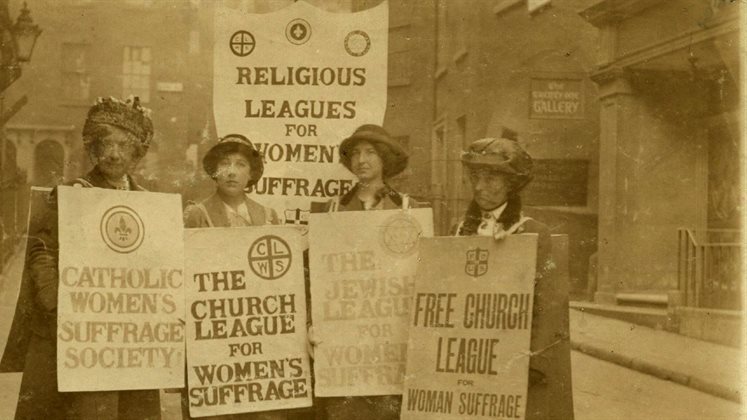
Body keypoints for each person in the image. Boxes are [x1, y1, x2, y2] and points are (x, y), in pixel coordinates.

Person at [0, 96, 161, 419]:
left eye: (123, 145)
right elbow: (42, 252)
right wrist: (61, 303)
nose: (114, 153)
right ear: (93, 148)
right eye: (106, 144)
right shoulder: (73, 193)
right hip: (76, 330)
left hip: (126, 331)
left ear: (137, 153)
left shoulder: (149, 203)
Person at [454, 132, 574, 420]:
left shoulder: (532, 231)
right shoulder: (458, 230)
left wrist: (533, 361)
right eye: (476, 178)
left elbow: (549, 306)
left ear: (510, 185)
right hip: (469, 357)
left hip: (514, 357)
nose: (480, 188)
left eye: (491, 179)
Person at [310, 124, 416, 420]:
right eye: (355, 153)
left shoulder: (409, 209)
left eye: (370, 152)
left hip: (389, 336)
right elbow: (318, 276)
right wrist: (313, 322)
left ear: (385, 159)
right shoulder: (330, 211)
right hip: (345, 341)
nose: (361, 160)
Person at [183, 134, 278, 228]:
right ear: (215, 171)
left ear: (251, 173)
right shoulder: (199, 214)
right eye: (224, 163)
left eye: (241, 164)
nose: (231, 172)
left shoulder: (268, 216)